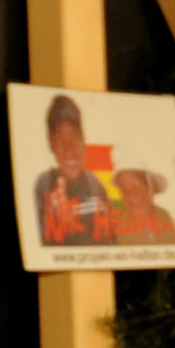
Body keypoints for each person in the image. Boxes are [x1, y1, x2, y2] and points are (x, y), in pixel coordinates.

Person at [34, 93, 114, 246]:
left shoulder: (96, 186)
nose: (69, 148)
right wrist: (57, 220)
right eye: (60, 140)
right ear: (51, 145)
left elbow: (110, 242)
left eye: (74, 137)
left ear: (83, 140)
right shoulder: (43, 186)